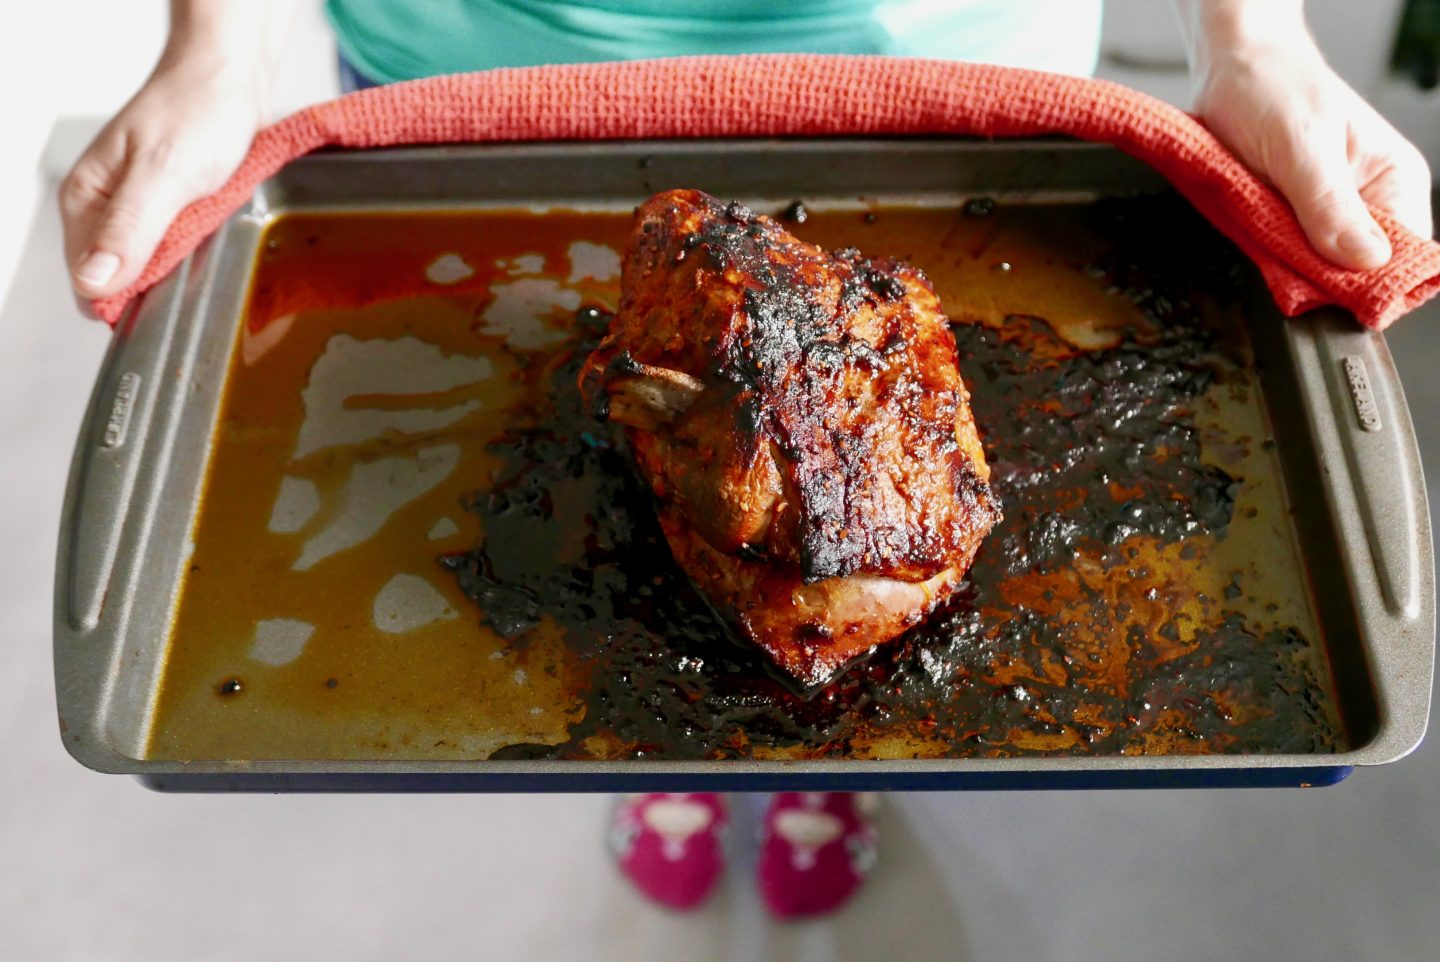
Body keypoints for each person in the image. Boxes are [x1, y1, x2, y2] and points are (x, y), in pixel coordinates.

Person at [59, 0, 1433, 919]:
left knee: (826, 655)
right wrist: (216, 49)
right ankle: (681, 771)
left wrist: (1258, 44)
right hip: (485, 51)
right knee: (639, 629)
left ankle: (819, 777)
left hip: (953, 45)